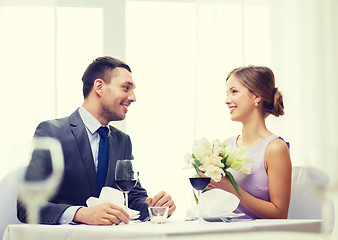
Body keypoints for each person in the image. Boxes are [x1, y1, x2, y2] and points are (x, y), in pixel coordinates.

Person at [17, 56, 176, 225]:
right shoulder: (52, 132)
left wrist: (155, 207)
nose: (133, 97)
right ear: (99, 87)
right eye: (126, 88)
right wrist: (80, 213)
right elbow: (26, 205)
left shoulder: (123, 141)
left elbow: (133, 197)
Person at [207, 65, 291, 219]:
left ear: (256, 96)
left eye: (234, 91)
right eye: (227, 93)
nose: (227, 100)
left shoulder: (275, 148)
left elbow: (280, 214)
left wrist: (232, 189)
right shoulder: (224, 146)